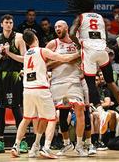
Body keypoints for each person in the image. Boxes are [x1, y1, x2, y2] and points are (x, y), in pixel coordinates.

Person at [68, 0, 119, 132]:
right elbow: (103, 35)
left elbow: (71, 33)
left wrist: (80, 44)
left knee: (90, 82)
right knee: (110, 82)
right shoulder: (101, 18)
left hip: (89, 51)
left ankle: (101, 113)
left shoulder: (81, 17)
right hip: (103, 50)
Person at [11, 29, 80, 158]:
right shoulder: (42, 50)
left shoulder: (26, 54)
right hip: (41, 89)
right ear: (36, 38)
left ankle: (17, 145)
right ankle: (46, 148)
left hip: (27, 90)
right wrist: (80, 53)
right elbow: (65, 58)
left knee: (26, 119)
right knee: (52, 119)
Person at [45, 20, 88, 157]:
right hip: (58, 83)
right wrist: (66, 59)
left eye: (60, 26)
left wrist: (71, 59)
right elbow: (45, 65)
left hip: (75, 81)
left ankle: (80, 145)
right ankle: (67, 143)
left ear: (66, 27)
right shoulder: (52, 44)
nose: (57, 28)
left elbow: (83, 58)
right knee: (62, 116)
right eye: (55, 26)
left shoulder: (77, 43)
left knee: (80, 112)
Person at [0, 14, 28, 153]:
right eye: (6, 22)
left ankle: (22, 142)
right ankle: (0, 142)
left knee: (16, 109)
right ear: (1, 24)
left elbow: (24, 59)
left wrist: (9, 52)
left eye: (11, 22)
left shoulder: (19, 37)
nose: (8, 24)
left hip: (14, 76)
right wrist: (1, 54)